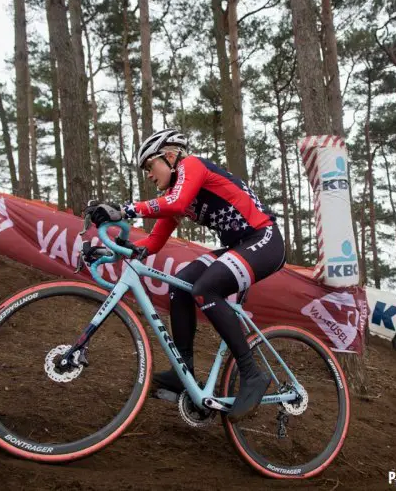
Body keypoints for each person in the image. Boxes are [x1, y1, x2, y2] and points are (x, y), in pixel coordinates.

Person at [86, 129, 286, 422]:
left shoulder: (192, 166)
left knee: (205, 287)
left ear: (168, 156)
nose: (149, 176)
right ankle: (185, 371)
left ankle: (251, 373)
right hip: (239, 246)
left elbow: (177, 204)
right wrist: (109, 251)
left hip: (264, 239)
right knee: (180, 285)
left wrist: (125, 209)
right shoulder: (174, 194)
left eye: (149, 167)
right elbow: (152, 244)